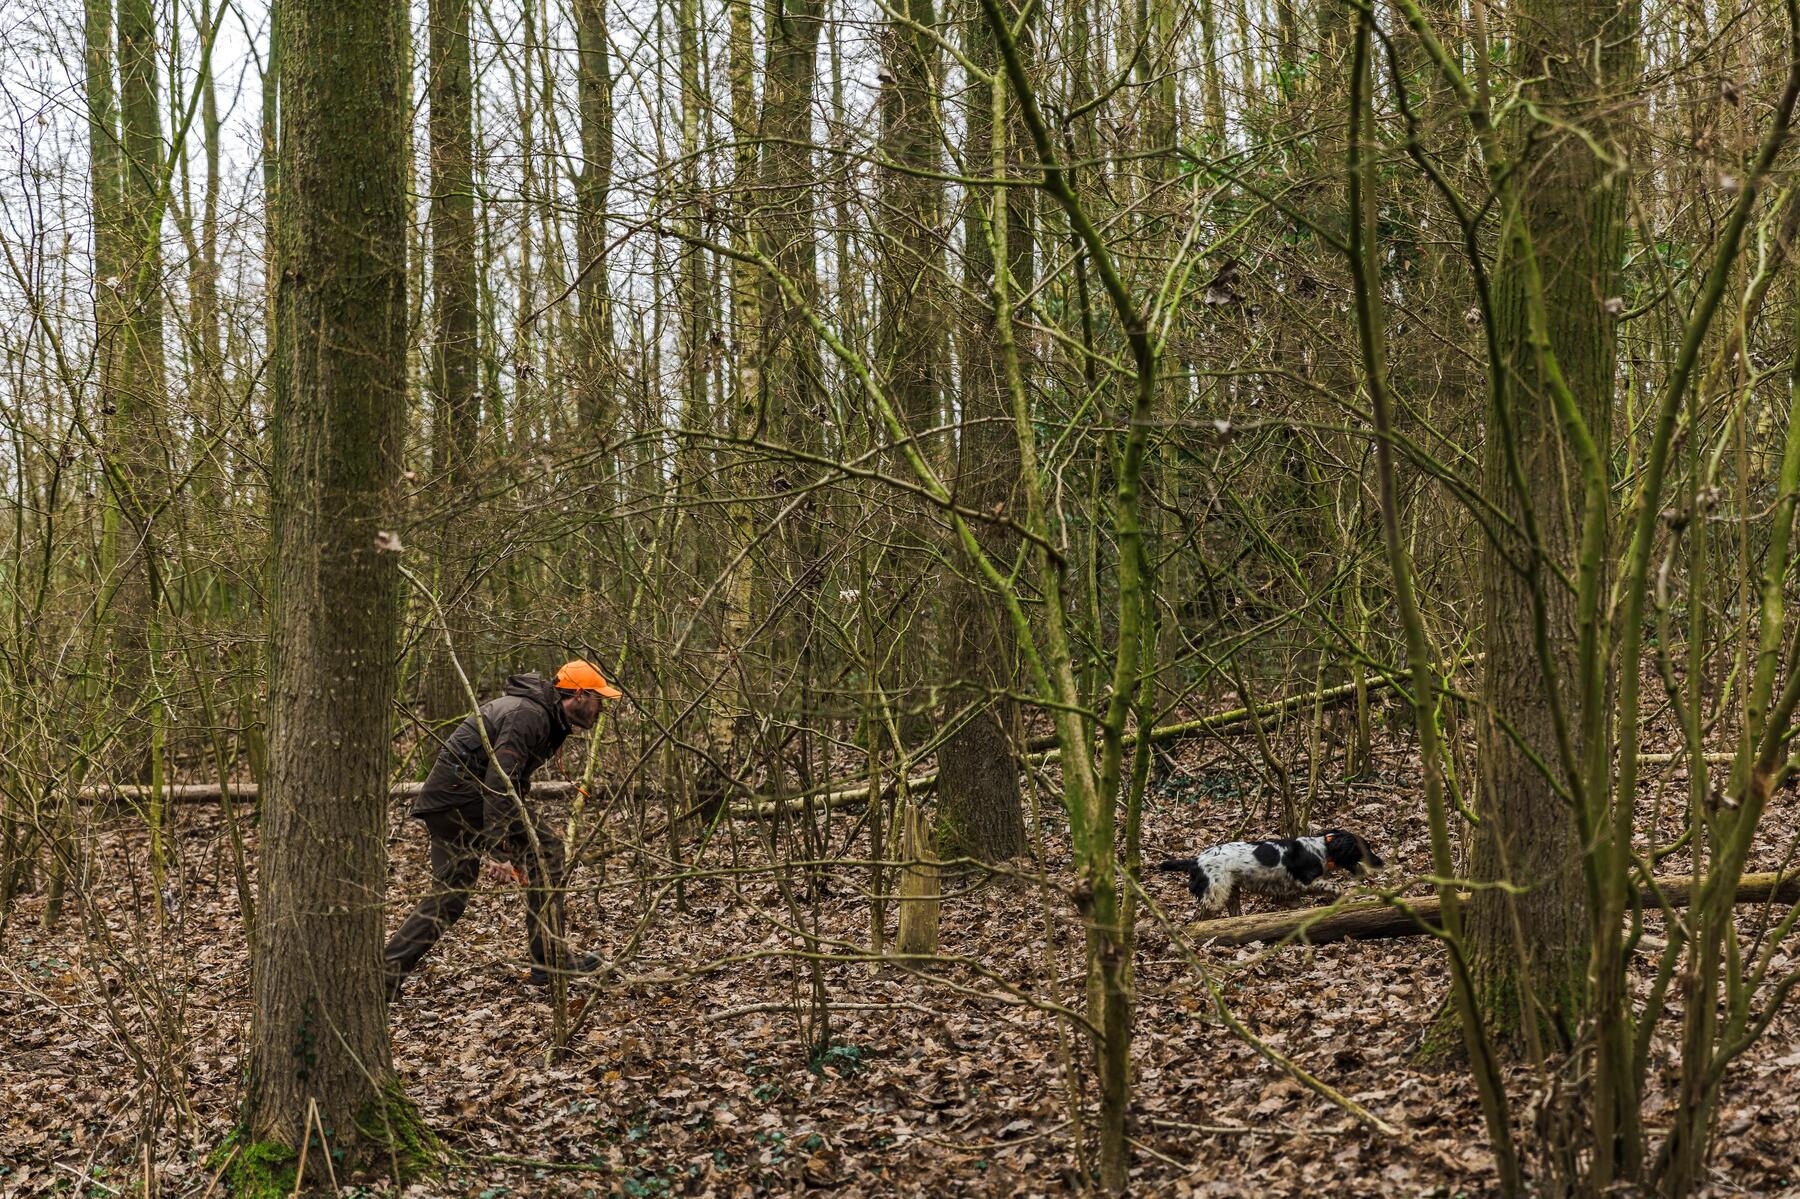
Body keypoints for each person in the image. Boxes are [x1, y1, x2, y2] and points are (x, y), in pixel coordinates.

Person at [384, 659, 621, 1000]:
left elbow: (514, 783)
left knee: (450, 897)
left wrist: (517, 846)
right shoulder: (529, 715)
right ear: (581, 695)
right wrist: (499, 850)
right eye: (599, 700)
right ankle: (550, 962)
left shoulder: (541, 714)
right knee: (549, 850)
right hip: (463, 799)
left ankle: (385, 975)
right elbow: (500, 780)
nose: (601, 710)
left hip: (450, 802)